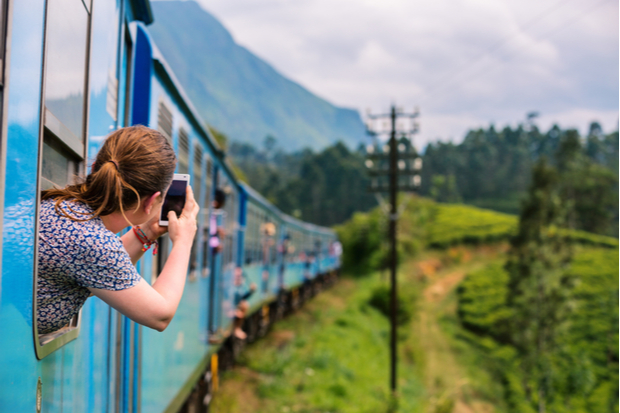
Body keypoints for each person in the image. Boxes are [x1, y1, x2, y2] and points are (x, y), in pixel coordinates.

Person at [37, 125, 199, 335]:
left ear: (95, 167)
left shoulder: (64, 207)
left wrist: (147, 232)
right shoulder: (92, 242)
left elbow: (98, 268)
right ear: (150, 202)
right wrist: (184, 241)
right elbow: (161, 315)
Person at [232, 267, 256, 339]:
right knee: (243, 307)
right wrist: (233, 311)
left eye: (240, 277)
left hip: (233, 308)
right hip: (228, 310)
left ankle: (237, 329)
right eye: (237, 277)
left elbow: (242, 298)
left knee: (245, 305)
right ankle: (236, 329)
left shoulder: (238, 288)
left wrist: (251, 291)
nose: (239, 279)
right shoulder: (230, 288)